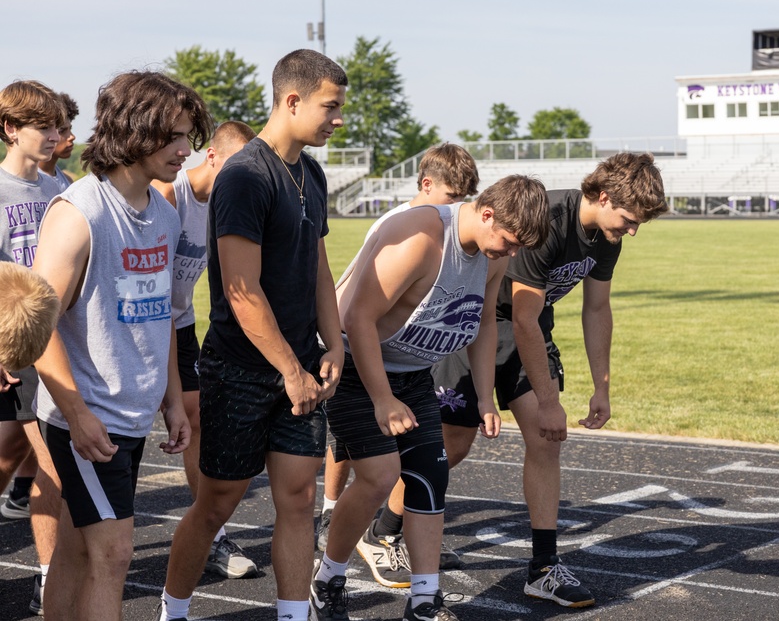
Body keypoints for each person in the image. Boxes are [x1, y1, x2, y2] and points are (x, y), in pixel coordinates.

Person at [158, 49, 347, 621]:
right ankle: (173, 611)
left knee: (297, 498)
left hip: (301, 368)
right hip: (241, 371)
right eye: (330, 107)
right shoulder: (243, 176)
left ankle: (293, 615)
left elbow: (317, 268)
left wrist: (334, 344)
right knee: (216, 505)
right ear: (293, 101)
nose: (339, 119)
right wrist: (291, 370)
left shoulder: (310, 172)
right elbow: (241, 291)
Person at [434, 152, 667, 608]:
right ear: (603, 196)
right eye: (628, 219)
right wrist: (550, 400)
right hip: (476, 327)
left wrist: (602, 385)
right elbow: (521, 319)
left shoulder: (607, 238)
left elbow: (596, 309)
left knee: (546, 442)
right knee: (452, 447)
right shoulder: (548, 220)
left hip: (530, 331)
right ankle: (385, 528)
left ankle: (543, 568)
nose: (632, 230)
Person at [312, 174, 548, 621]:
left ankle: (423, 600)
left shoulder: (492, 253)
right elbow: (358, 318)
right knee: (380, 476)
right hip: (355, 366)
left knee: (429, 478)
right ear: (486, 212)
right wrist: (382, 399)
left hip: (414, 372)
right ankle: (327, 579)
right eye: (510, 241)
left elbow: (480, 323)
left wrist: (484, 398)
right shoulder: (421, 237)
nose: (512, 253)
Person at [31, 70, 209, 620]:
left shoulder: (164, 214)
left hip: (132, 415)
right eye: (174, 136)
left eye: (189, 137)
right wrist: (77, 413)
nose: (187, 151)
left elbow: (164, 315)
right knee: (114, 554)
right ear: (134, 132)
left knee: (76, 551)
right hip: (90, 418)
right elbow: (35, 328)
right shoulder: (79, 214)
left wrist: (173, 399)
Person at [316, 142, 480, 569]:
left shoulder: (446, 230)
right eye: (450, 197)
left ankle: (363, 524)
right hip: (357, 350)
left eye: (464, 198)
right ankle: (332, 512)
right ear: (426, 184)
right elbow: (359, 307)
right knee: (355, 446)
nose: (457, 206)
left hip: (402, 358)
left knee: (406, 463)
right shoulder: (404, 227)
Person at [151, 120, 257, 578]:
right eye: (236, 166)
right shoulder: (168, 195)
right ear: (211, 156)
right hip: (140, 326)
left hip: (180, 324)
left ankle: (211, 535)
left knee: (194, 418)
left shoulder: (228, 203)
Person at [0, 79, 68, 615]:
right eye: (43, 127)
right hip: (9, 347)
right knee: (25, 456)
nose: (54, 135)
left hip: (51, 347)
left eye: (56, 126)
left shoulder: (59, 189)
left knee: (30, 454)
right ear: (10, 130)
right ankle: (51, 573)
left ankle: (51, 572)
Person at [37, 92, 78, 191]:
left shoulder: (68, 182)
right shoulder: (29, 180)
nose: (72, 137)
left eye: (70, 129)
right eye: (62, 131)